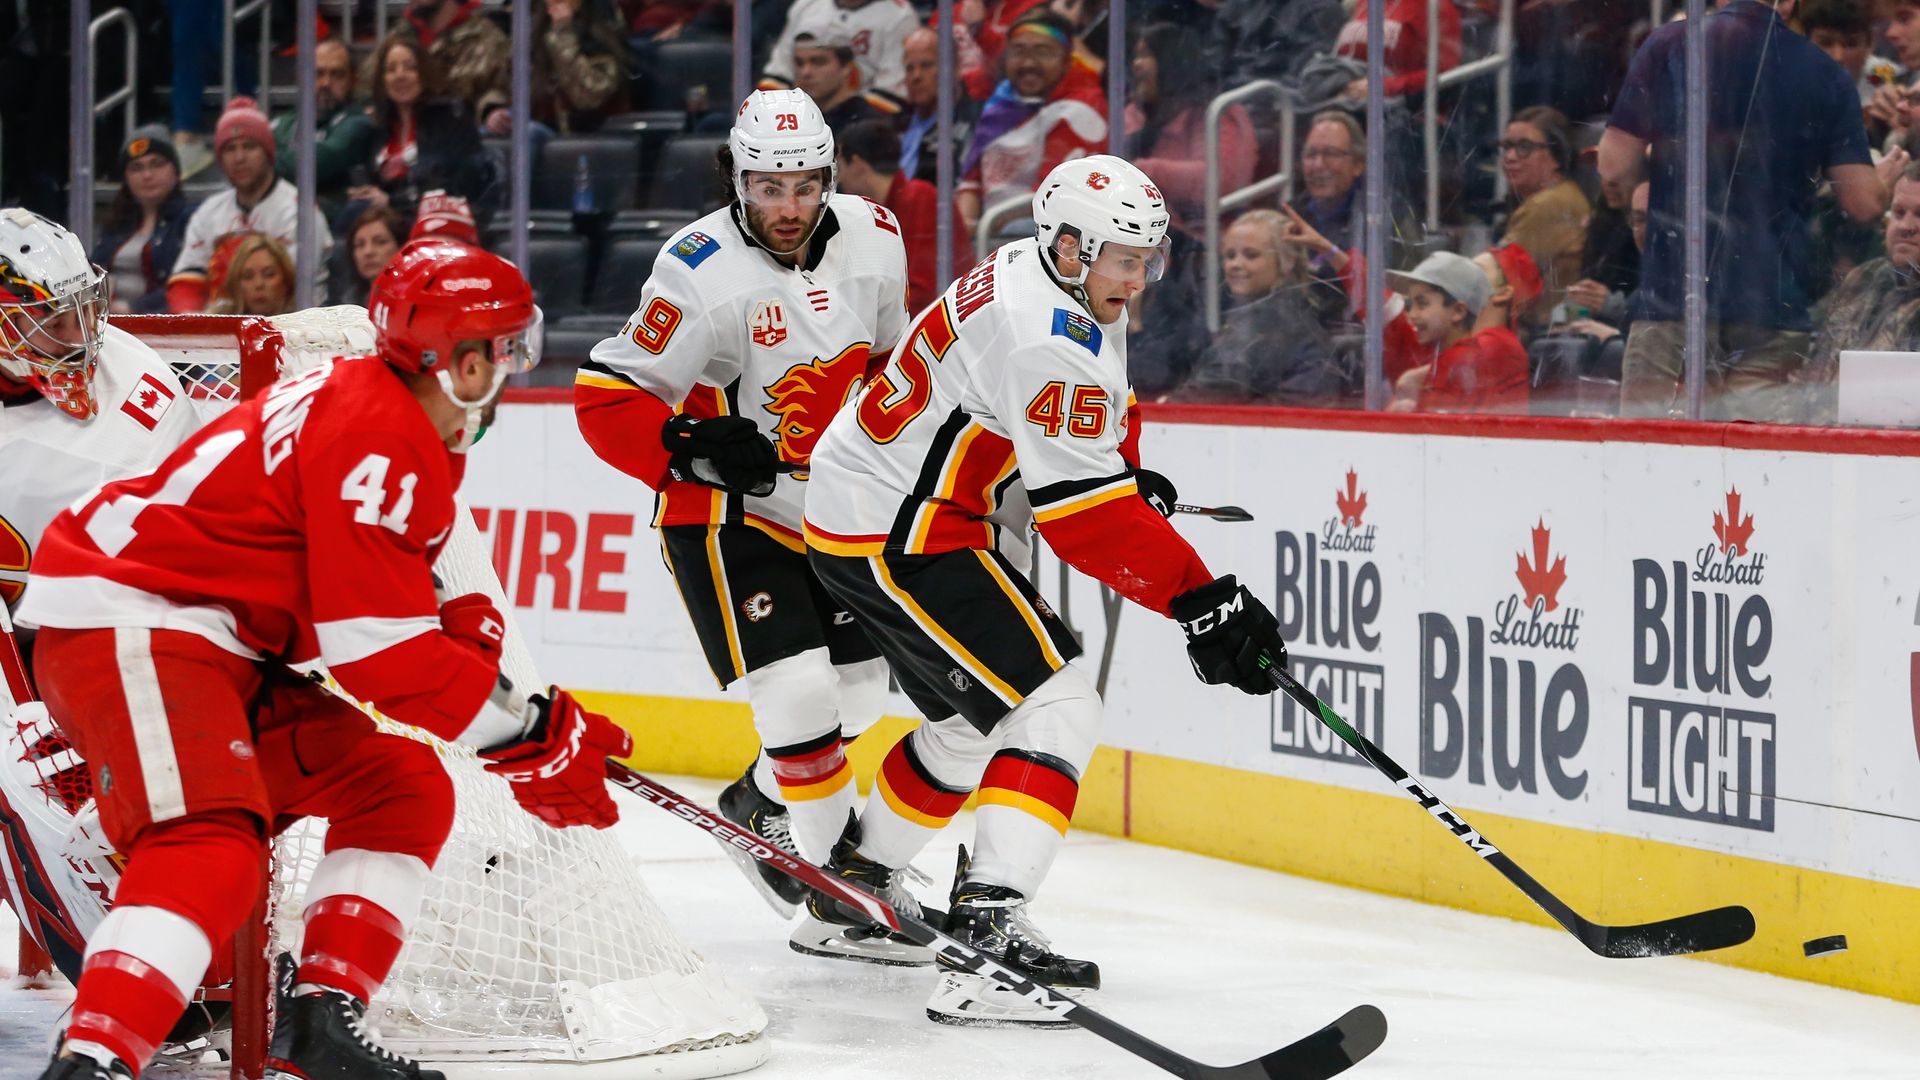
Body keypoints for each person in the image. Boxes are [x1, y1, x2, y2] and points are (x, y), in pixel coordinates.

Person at [21, 239, 633, 1080]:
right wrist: (533, 738)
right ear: (451, 358)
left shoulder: (394, 419)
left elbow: (421, 598)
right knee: (212, 842)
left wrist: (493, 674)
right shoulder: (376, 431)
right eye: (502, 347)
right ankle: (93, 1061)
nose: (512, 367)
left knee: (401, 786)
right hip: (132, 622)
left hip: (210, 642)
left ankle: (319, 1021)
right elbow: (378, 656)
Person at [800, 155, 1290, 1025]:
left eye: (1148, 257)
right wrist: (1202, 599)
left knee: (966, 724)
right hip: (903, 527)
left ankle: (857, 890)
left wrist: (1119, 473)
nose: (1138, 277)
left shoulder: (1056, 280)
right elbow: (1081, 520)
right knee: (1056, 701)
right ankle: (985, 944)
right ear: (1068, 245)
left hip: (885, 505)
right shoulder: (1047, 329)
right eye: (1122, 259)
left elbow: (1084, 447)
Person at [574, 91, 910, 953]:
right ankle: (833, 884)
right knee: (797, 690)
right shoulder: (695, 267)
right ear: (737, 177)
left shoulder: (877, 236)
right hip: (722, 508)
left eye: (805, 187)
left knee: (865, 692)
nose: (789, 209)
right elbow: (606, 398)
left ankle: (757, 805)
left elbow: (886, 363)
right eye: (769, 188)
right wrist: (687, 442)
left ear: (830, 177)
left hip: (830, 509)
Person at [0, 210, 205, 1007]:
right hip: (30, 637)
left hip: (126, 626)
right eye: (49, 316)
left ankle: (177, 966)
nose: (79, 328)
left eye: (81, 303)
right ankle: (126, 985)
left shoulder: (127, 364)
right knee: (24, 785)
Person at [1599, 0, 1884, 422]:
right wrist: (1885, 182)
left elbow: (1613, 169)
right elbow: (1863, 204)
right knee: (1756, 468)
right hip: (1772, 305)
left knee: (1653, 463)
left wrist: (1662, 173)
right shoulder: (1825, 72)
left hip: (1672, 298)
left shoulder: (1669, 45)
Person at [166, 98, 333, 313]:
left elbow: (287, 288)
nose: (239, 157)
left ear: (268, 153)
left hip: (294, 327)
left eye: (249, 146)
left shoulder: (300, 210)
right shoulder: (209, 212)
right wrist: (193, 325)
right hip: (222, 327)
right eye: (229, 149)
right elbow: (186, 282)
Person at [955, 10, 1108, 235]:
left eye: (1043, 52)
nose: (1028, 63)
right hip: (989, 233)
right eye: (1018, 51)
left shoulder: (1082, 108)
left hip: (1044, 236)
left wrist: (982, 230)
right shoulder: (1002, 103)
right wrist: (965, 227)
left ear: (1067, 60)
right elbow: (971, 184)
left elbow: (1051, 199)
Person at [1177, 209, 1348, 405]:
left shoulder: (1278, 322)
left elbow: (1217, 387)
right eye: (1230, 255)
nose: (1235, 264)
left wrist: (1167, 408)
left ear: (1287, 261)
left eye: (1251, 255)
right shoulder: (1257, 315)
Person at [1806, 164, 1920, 416]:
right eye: (1899, 213)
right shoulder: (1865, 278)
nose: (1906, 226)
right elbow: (1813, 378)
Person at [356, 32, 493, 227]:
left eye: (410, 68)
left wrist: (391, 202)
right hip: (389, 226)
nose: (400, 75)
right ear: (382, 80)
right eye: (391, 69)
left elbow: (457, 186)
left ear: (425, 73)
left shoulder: (450, 118)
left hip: (437, 223)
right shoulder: (378, 127)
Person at [836, 119, 970, 313]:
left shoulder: (921, 198)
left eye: (840, 167)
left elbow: (923, 293)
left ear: (857, 164)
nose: (839, 179)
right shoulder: (878, 211)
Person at [1125, 24, 1250, 227]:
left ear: (1171, 61)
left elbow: (1222, 180)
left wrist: (1144, 172)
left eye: (1146, 55)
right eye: (1135, 56)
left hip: (1203, 240)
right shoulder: (1133, 114)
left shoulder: (1217, 113)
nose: (1136, 64)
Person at [1384, 250, 1530, 413]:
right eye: (1411, 304)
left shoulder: (1462, 362)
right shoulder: (1452, 360)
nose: (1412, 314)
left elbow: (1433, 432)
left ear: (1459, 311)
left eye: (1422, 303)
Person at [477, 0, 630, 136]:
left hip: (587, 135)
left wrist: (562, 35)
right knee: (484, 138)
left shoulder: (602, 33)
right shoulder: (532, 28)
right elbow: (502, 83)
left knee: (528, 135)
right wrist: (493, 110)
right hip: (534, 127)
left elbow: (589, 95)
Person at [1497, 106, 1590, 328]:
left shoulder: (1548, 205)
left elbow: (1493, 277)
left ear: (1556, 157)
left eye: (1524, 147)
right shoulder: (1564, 195)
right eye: (1507, 147)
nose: (1510, 157)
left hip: (1542, 333)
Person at [270, 38, 379, 223]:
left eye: (337, 74)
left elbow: (313, 164)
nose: (326, 83)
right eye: (318, 73)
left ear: (353, 80)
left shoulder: (358, 122)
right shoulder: (284, 122)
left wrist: (266, 159)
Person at [90, 128, 197, 316]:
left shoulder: (193, 220)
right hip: (107, 323)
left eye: (157, 164)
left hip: (160, 324)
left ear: (176, 171)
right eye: (136, 168)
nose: (147, 175)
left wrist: (134, 309)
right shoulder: (116, 223)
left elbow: (190, 284)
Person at [761, 0, 922, 102]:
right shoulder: (806, 5)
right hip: (802, 116)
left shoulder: (899, 16)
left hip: (862, 127)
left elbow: (891, 97)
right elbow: (778, 75)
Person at [1335, 0, 1461, 100]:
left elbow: (1444, 74)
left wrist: (1383, 87)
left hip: (1401, 110)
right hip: (1345, 94)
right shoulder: (1366, 3)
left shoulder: (1435, 6)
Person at [405, 0, 512, 117]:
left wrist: (490, 111)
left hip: (462, 130)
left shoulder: (486, 39)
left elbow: (498, 93)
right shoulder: (401, 37)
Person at [790, 28, 895, 130]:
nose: (805, 72)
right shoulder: (791, 120)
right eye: (799, 63)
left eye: (818, 62)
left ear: (846, 67)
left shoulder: (868, 126)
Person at [207, 233, 296, 317]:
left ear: (286, 280)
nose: (258, 284)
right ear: (236, 284)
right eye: (248, 276)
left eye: (269, 274)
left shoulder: (306, 322)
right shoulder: (217, 323)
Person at [335, 207, 408, 307]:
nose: (368, 252)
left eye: (380, 242)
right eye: (360, 244)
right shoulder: (347, 305)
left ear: (401, 248)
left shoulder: (413, 302)